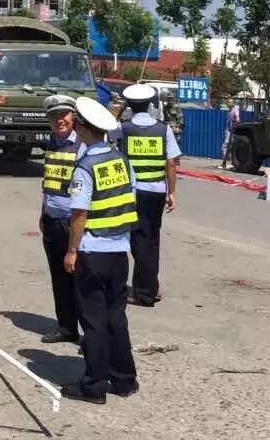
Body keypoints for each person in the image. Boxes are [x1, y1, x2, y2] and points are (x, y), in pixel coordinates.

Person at [61, 96, 138, 404]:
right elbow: (130, 197)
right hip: (119, 250)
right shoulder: (121, 160)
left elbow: (79, 214)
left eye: (76, 125)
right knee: (116, 317)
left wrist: (71, 251)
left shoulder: (85, 167)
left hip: (92, 251)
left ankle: (94, 386)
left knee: (93, 320)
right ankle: (124, 380)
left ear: (83, 129)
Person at [115, 82, 180, 309]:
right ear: (151, 105)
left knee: (138, 241)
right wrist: (172, 192)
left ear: (130, 106)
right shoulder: (163, 129)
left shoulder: (123, 128)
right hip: (157, 192)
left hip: (133, 193)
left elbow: (104, 132)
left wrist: (118, 110)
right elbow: (171, 163)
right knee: (151, 240)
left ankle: (145, 293)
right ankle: (150, 286)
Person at [39, 94, 83, 345]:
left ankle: (91, 335)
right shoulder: (52, 143)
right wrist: (42, 212)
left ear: (73, 116)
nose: (59, 120)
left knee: (81, 280)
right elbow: (49, 182)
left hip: (74, 222)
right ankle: (67, 328)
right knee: (59, 278)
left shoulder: (83, 146)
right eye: (54, 116)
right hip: (52, 220)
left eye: (63, 115)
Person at [221, 99, 241, 169]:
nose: (227, 104)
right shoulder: (230, 110)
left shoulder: (235, 109)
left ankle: (228, 162)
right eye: (227, 102)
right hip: (229, 130)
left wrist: (236, 120)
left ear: (233, 103)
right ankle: (225, 162)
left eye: (229, 102)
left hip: (232, 130)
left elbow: (237, 117)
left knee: (226, 146)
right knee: (228, 147)